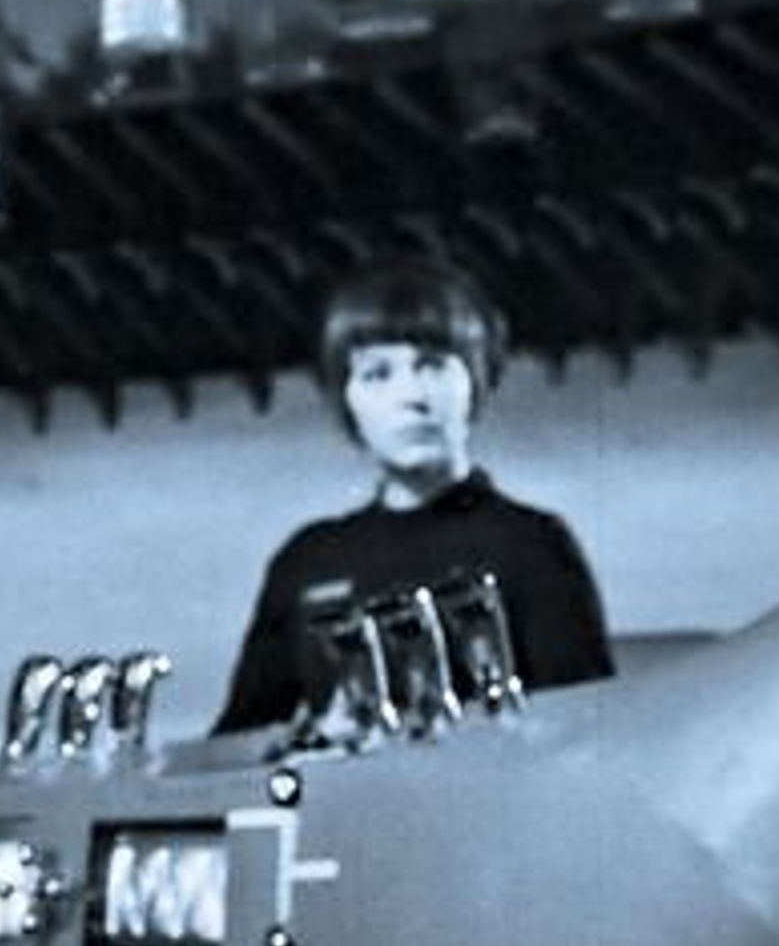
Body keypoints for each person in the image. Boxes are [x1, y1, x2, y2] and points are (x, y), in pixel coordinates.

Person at [214, 255, 613, 737]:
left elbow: (586, 733)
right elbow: (239, 744)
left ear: (477, 379)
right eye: (378, 374)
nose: (412, 396)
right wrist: (314, 741)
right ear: (346, 400)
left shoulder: (531, 543)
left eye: (432, 366)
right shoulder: (306, 561)